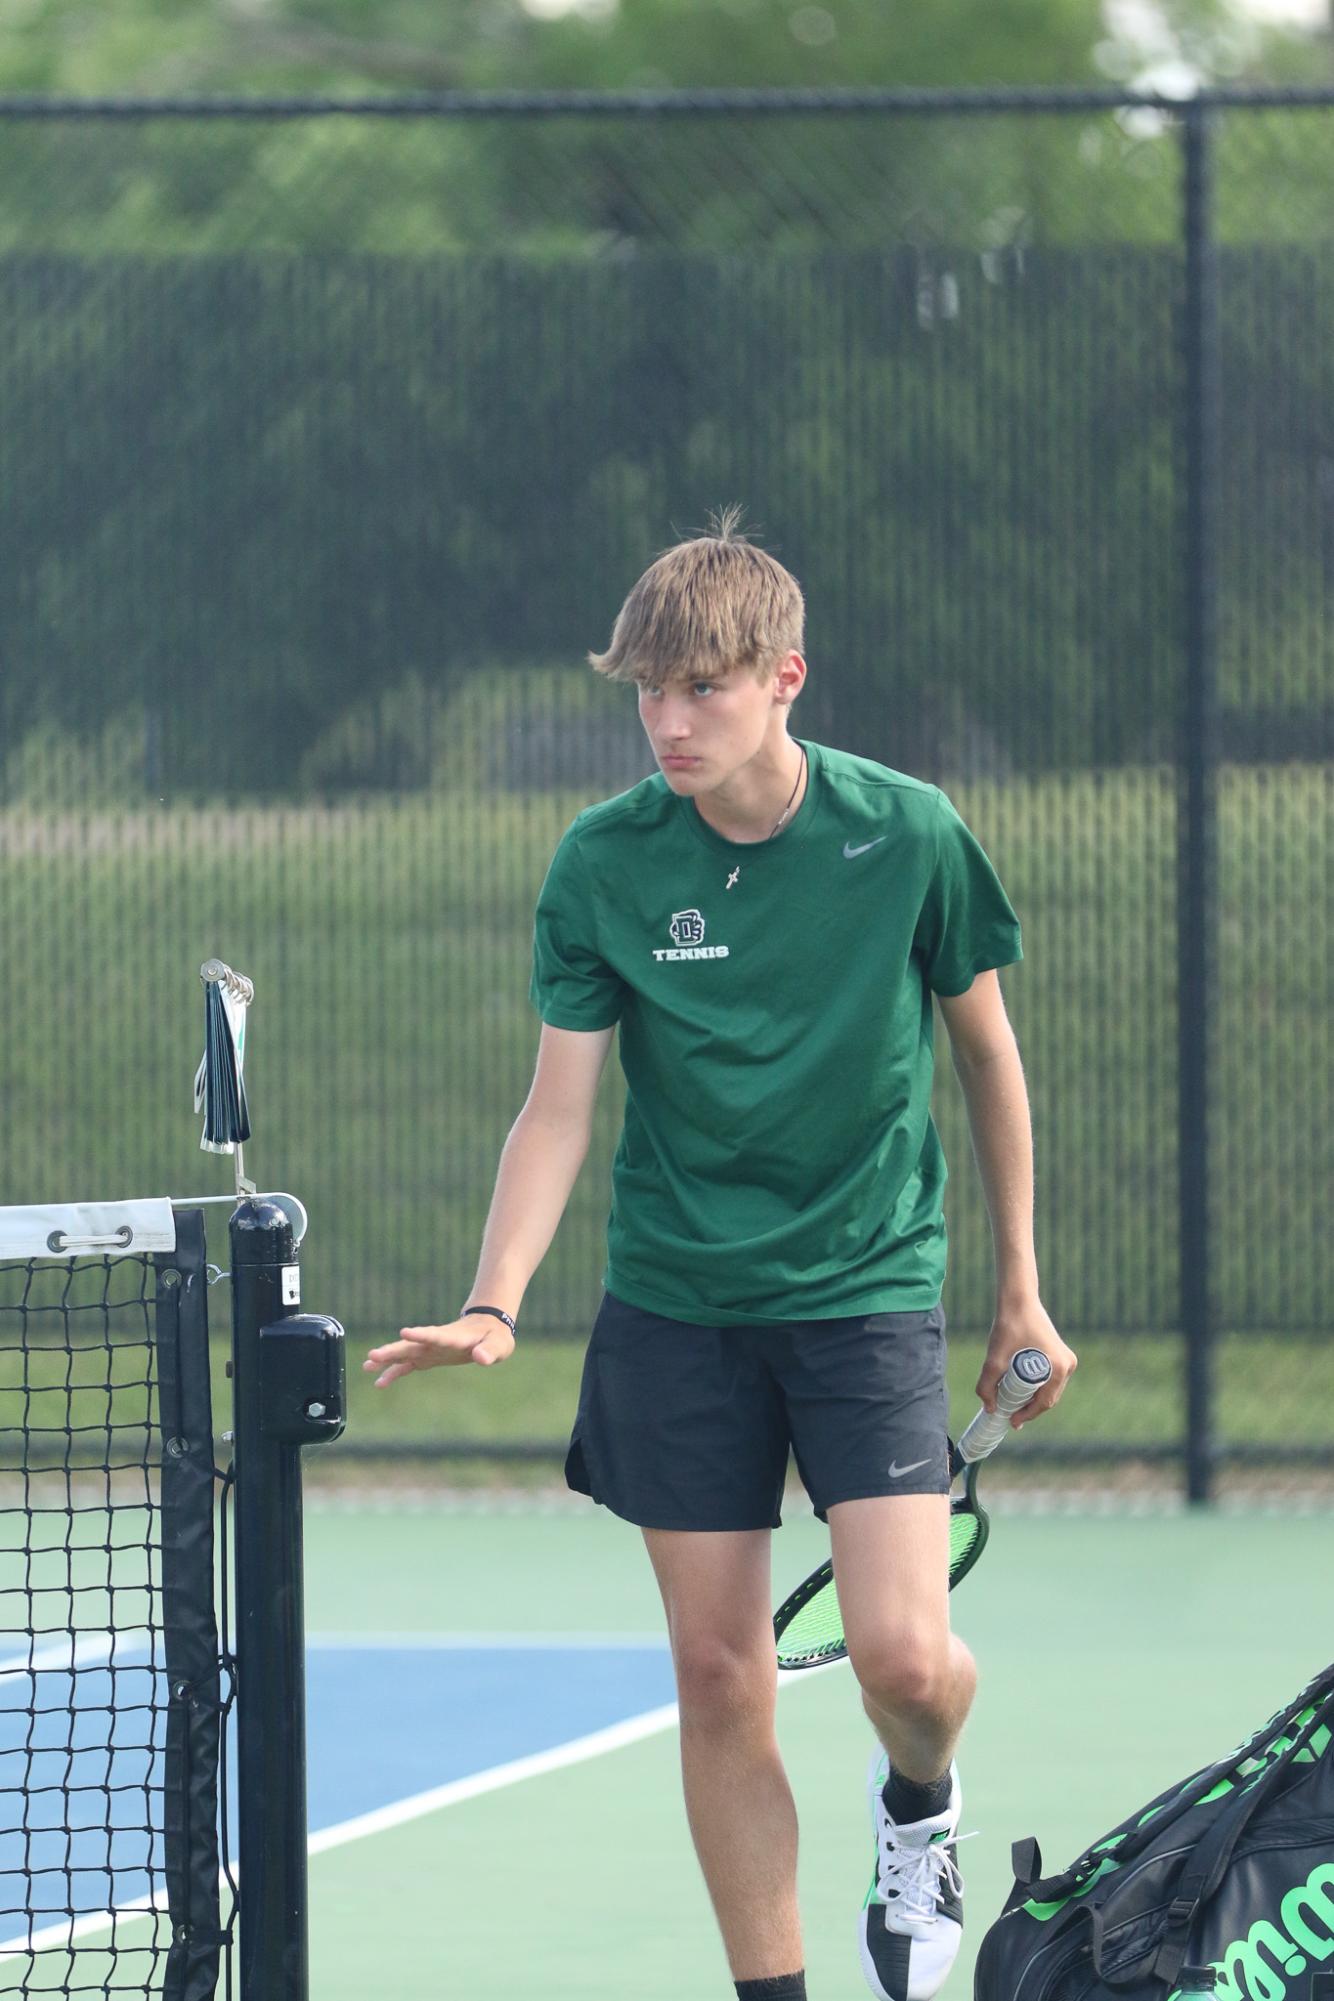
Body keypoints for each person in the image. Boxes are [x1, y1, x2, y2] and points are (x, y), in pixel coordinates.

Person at [365, 512, 1076, 2001]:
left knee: (903, 1661)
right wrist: (495, 1297)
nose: (668, 722)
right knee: (717, 1675)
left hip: (866, 1287)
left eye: (701, 688)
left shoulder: (909, 833)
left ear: (785, 677)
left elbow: (989, 1058)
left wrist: (1016, 1284)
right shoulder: (605, 863)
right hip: (679, 1308)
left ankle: (917, 1803)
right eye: (648, 691)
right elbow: (557, 1107)